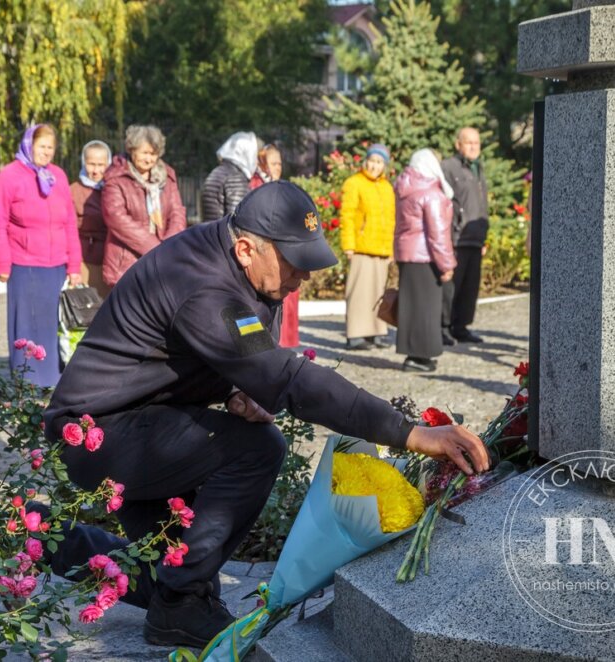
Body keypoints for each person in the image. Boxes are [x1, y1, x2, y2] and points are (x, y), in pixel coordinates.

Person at [41, 181, 488, 647]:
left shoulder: (244, 267)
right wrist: (409, 433)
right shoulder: (203, 284)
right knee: (254, 450)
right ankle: (179, 606)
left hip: (147, 422)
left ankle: (68, 545)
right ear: (246, 248)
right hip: (98, 435)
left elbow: (248, 354)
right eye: (296, 261)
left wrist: (240, 386)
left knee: (170, 570)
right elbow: (288, 378)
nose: (306, 276)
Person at [0, 124, 82, 388]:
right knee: (26, 325)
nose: (46, 152)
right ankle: (27, 381)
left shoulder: (58, 176)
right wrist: (3, 262)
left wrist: (74, 264)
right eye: (42, 146)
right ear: (29, 145)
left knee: (53, 325)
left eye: (50, 148)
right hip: (24, 263)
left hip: (56, 265)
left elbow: (70, 224)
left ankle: (53, 381)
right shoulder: (9, 176)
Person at [393, 149, 457, 372]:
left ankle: (415, 354)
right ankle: (419, 357)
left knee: (412, 308)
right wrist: (446, 265)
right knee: (427, 309)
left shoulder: (405, 188)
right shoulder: (430, 193)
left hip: (407, 254)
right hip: (425, 257)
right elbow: (438, 234)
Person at [101, 125, 186, 287]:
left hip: (163, 261)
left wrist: (168, 246)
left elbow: (177, 212)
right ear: (132, 150)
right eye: (145, 153)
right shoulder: (116, 177)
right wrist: (154, 248)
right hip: (127, 263)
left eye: (153, 154)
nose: (149, 159)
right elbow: (116, 218)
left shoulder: (167, 176)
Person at [339, 143, 396, 351]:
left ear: (384, 165)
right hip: (361, 247)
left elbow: (391, 220)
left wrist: (391, 249)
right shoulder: (354, 183)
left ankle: (376, 332)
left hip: (381, 249)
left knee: (377, 294)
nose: (374, 166)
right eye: (372, 160)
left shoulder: (387, 187)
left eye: (379, 162)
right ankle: (355, 334)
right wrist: (349, 245)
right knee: (359, 293)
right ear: (366, 161)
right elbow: (347, 215)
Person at [441, 127, 489, 344]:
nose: (473, 146)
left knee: (470, 287)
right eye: (468, 142)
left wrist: (484, 235)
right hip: (456, 238)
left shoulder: (478, 168)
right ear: (458, 144)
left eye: (476, 143)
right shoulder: (449, 167)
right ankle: (444, 327)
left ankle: (461, 326)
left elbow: (482, 204)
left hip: (475, 238)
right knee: (452, 287)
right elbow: (445, 204)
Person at [248, 144, 298, 347]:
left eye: (279, 163)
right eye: (273, 163)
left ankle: (286, 341)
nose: (277, 167)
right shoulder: (255, 185)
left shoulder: (284, 186)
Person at [72, 139, 112, 298]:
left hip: (109, 259)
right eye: (91, 164)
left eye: (101, 165)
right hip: (83, 258)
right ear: (83, 162)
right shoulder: (73, 191)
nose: (96, 170)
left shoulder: (115, 188)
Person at [200, 131, 258, 222]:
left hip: (209, 233)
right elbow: (237, 220)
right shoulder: (236, 178)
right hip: (223, 235)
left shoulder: (216, 172)